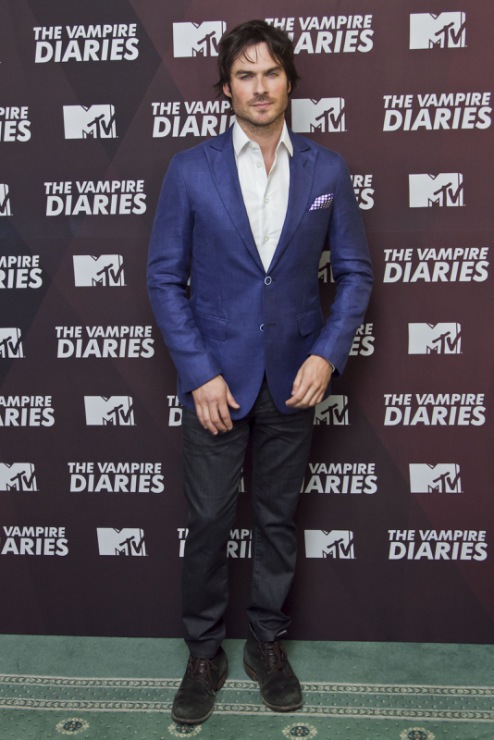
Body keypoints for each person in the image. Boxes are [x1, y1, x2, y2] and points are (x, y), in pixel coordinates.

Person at [147, 19, 373, 725]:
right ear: (226, 89)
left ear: (289, 82)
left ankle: (266, 645)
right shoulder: (191, 169)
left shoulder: (326, 170)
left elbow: (356, 274)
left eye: (271, 72)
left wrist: (326, 354)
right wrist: (199, 373)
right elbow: (164, 279)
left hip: (294, 380)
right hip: (216, 383)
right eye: (245, 75)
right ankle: (203, 654)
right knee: (209, 523)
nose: (260, 86)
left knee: (277, 521)